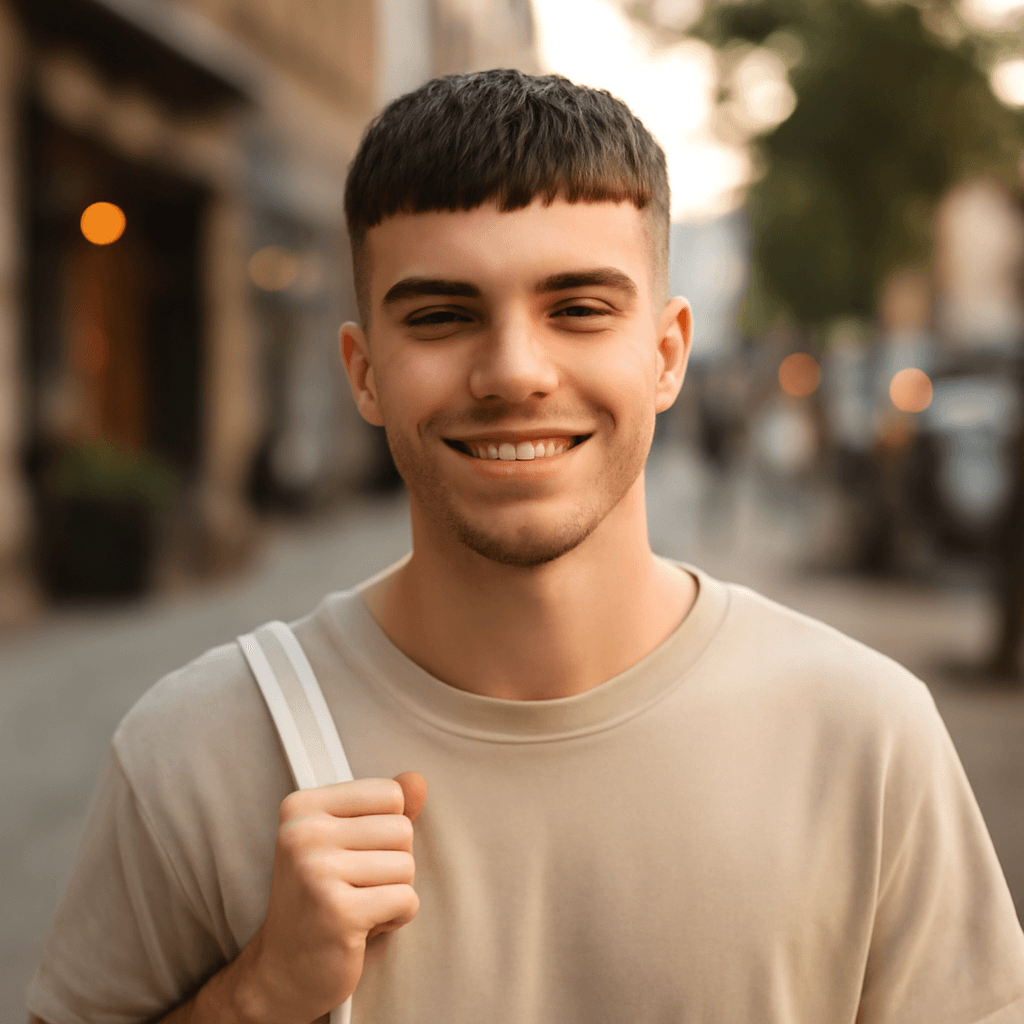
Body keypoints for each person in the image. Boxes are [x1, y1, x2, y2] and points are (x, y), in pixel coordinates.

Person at [27, 69, 1024, 1024]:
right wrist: (252, 997)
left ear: (667, 352)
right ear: (364, 372)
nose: (513, 370)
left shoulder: (864, 736)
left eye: (579, 308)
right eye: (442, 316)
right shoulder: (195, 753)